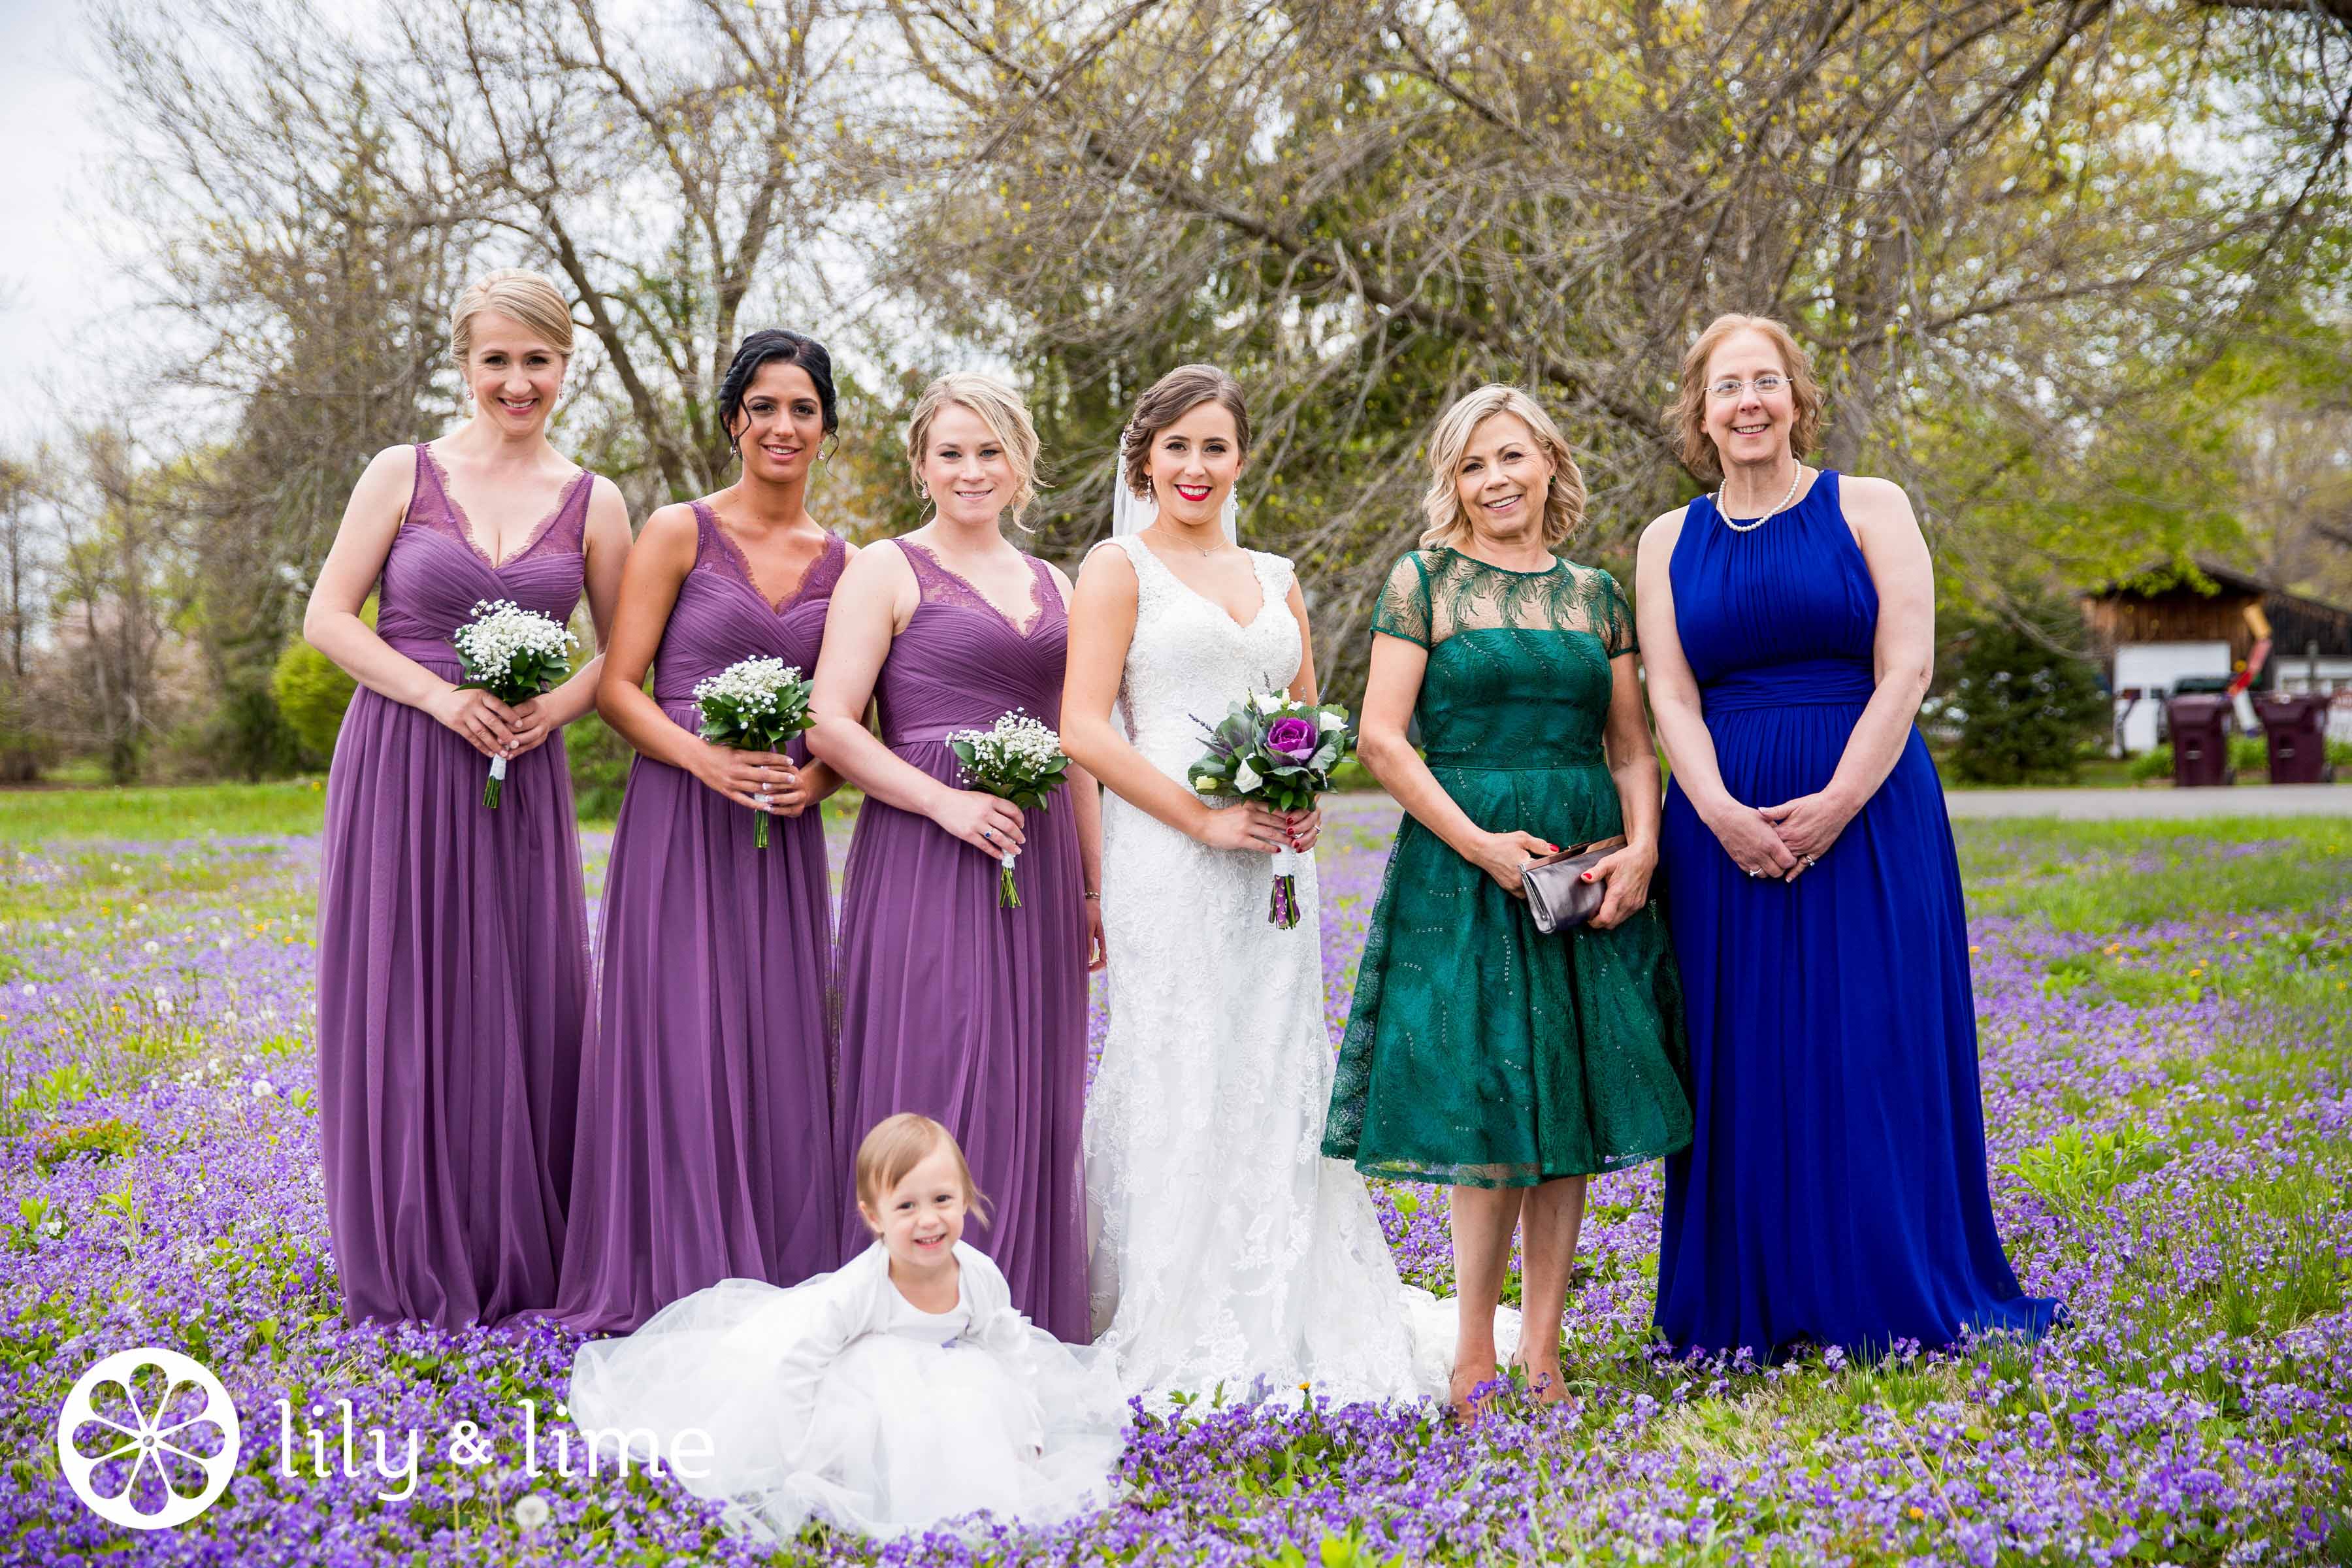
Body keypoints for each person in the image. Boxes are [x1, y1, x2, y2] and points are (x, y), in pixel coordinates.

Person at [1061, 363, 1513, 1405]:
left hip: (1273, 864)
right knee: (1181, 1054)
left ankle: (1287, 1295)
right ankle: (1173, 1305)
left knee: (1272, 1059)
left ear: (1241, 458)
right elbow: (1084, 725)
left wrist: (1303, 792)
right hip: (1169, 860)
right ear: (1145, 458)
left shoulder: (1278, 573)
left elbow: (1308, 715)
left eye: (1215, 446)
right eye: (1177, 446)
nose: (1196, 466)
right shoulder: (1116, 567)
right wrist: (1202, 817)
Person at [1636, 312, 2059, 1359]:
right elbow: (1670, 698)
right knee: (1741, 1057)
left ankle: (1889, 1288)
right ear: (1699, 410)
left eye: (1766, 383)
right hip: (1721, 831)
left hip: (1870, 815)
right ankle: (1752, 1304)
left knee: (1868, 1040)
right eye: (1727, 387)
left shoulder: (1871, 507)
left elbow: (1906, 669)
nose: (1748, 403)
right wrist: (1720, 812)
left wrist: (1834, 803)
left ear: (1797, 398)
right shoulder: (1665, 540)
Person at [1324, 385, 1691, 1409]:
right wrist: (1485, 847)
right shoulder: (1425, 583)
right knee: (1490, 1096)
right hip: (1466, 861)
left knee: (1567, 1095)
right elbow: (1382, 740)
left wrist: (1644, 850)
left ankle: (1542, 1349)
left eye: (1513, 459)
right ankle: (1473, 1351)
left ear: (1548, 467)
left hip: (1586, 864)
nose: (1497, 480)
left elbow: (1630, 745)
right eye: (1476, 464)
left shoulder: (1594, 594)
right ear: (1455, 481)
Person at [304, 267, 630, 1326]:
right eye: (498, 359)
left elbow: (630, 659)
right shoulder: (401, 473)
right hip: (401, 762)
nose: (518, 381)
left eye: (538, 360)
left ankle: (514, 1243)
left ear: (566, 367)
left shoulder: (596, 501)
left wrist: (558, 710)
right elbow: (330, 620)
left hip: (520, 777)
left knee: (523, 995)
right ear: (465, 362)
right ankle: (409, 1248)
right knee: (408, 996)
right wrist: (442, 700)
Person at [551, 331, 851, 1332]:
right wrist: (704, 759)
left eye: (802, 409)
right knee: (680, 1034)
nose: (781, 425)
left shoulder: (849, 565)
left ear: (825, 430)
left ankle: (776, 1258)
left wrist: (815, 779)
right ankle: (670, 1260)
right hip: (680, 824)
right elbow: (618, 690)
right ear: (733, 420)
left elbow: (857, 718)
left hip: (780, 838)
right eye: (762, 406)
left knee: (778, 1040)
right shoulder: (678, 532)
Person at [808, 374, 1102, 1342]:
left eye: (989, 452)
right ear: (921, 466)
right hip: (925, 853)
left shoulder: (1060, 585)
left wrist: (1096, 890)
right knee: (934, 1065)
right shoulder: (885, 570)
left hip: (1042, 859)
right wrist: (945, 803)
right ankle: (909, 1323)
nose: (971, 471)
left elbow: (1082, 749)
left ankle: (1020, 1317)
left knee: (1035, 1085)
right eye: (951, 453)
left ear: (1020, 464)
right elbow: (831, 724)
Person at [568, 1113, 1128, 1541]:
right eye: (905, 1206)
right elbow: (799, 1369)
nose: (928, 1219)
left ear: (966, 1199)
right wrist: (804, 1456)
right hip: (839, 1364)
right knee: (866, 1408)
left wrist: (1026, 1432)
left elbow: (1009, 1349)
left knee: (966, 1396)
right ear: (873, 1217)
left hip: (923, 1367)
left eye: (942, 1200)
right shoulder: (864, 1287)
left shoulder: (977, 1276)